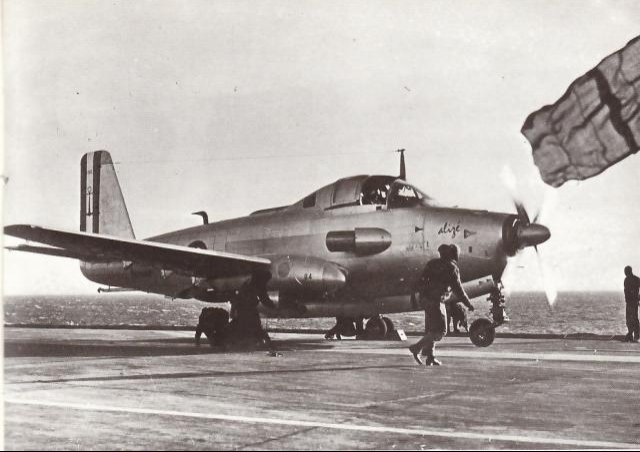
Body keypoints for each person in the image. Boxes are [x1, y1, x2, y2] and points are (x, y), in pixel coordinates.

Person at [409, 244, 474, 366]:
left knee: (431, 330)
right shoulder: (452, 268)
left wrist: (413, 297)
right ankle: (416, 348)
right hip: (436, 301)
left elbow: (420, 281)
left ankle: (430, 357)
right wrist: (468, 304)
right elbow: (459, 290)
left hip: (425, 300)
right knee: (440, 331)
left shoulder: (432, 264)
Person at [623, 265, 640, 342]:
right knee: (629, 319)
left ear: (629, 271)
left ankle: (636, 336)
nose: (625, 273)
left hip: (633, 302)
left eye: (626, 271)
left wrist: (638, 298)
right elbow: (626, 291)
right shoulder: (626, 280)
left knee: (634, 319)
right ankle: (630, 334)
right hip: (629, 302)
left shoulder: (636, 279)